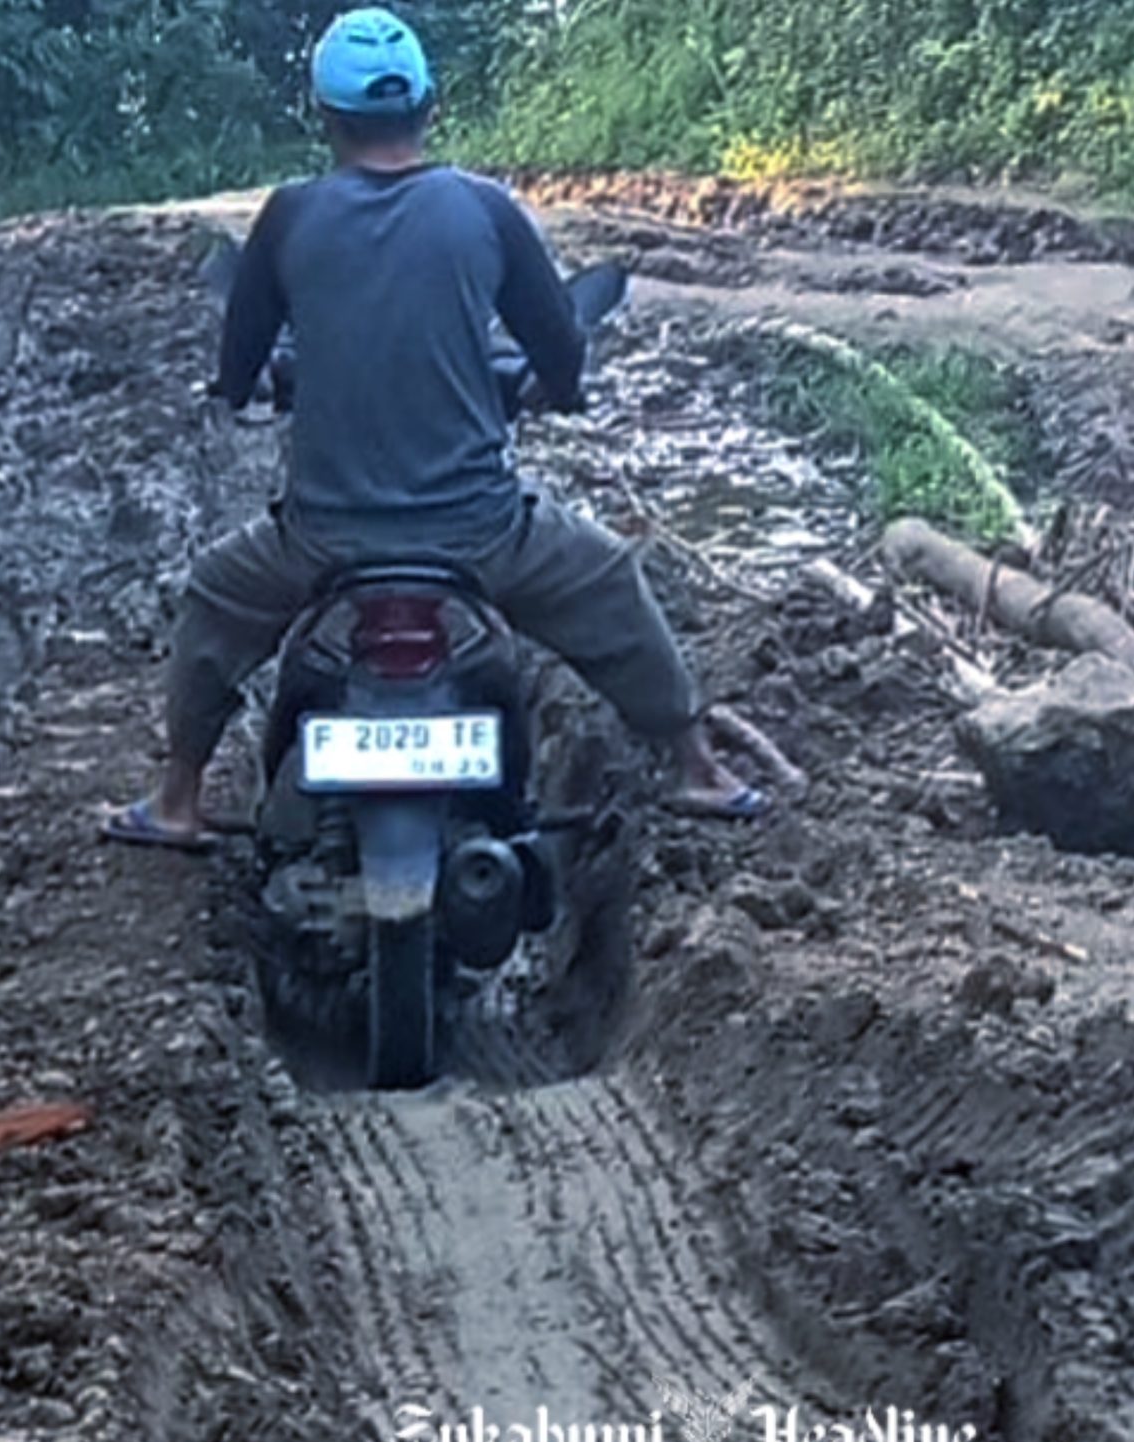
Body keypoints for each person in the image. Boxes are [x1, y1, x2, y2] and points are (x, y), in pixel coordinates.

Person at [105, 6, 769, 853]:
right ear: (428, 106)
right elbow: (559, 350)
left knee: (214, 598)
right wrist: (553, 390)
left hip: (323, 540)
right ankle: (696, 767)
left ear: (327, 116)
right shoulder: (484, 209)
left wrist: (251, 384)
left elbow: (238, 368)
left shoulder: (289, 216)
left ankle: (176, 798)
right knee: (609, 580)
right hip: (483, 535)